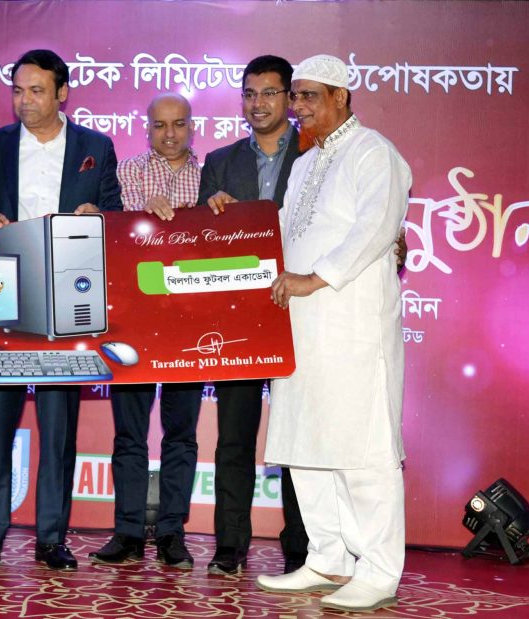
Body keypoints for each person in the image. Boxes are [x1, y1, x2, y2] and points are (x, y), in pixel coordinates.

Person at [255, 54, 411, 613]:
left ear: (342, 97)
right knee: (304, 444)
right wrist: (233, 223)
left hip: (351, 328)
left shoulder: (375, 154)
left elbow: (376, 229)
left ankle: (378, 568)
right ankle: (327, 557)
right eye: (294, 96)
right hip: (299, 326)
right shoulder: (302, 164)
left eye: (308, 97)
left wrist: (314, 279)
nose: (296, 107)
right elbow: (281, 230)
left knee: (361, 451)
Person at [0, 49, 123, 571]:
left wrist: (97, 216)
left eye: (36, 90)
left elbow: (115, 217)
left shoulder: (94, 148)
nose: (24, 100)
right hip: (3, 293)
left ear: (62, 94)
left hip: (66, 300)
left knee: (58, 425)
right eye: (17, 90)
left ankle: (51, 537)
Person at [200, 55, 310, 576]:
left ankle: (302, 547)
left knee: (297, 436)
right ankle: (229, 546)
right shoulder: (220, 163)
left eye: (269, 93)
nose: (258, 103)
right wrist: (212, 208)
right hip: (239, 319)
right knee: (234, 438)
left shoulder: (316, 156)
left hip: (300, 313)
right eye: (249, 93)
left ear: (290, 99)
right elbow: (201, 244)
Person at [88, 93, 204, 569]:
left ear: (192, 126)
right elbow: (117, 231)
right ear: (147, 127)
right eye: (159, 126)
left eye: (178, 125)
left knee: (182, 434)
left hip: (190, 326)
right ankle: (128, 531)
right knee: (129, 435)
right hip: (132, 322)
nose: (169, 134)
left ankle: (173, 532)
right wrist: (141, 217)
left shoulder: (209, 176)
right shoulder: (128, 173)